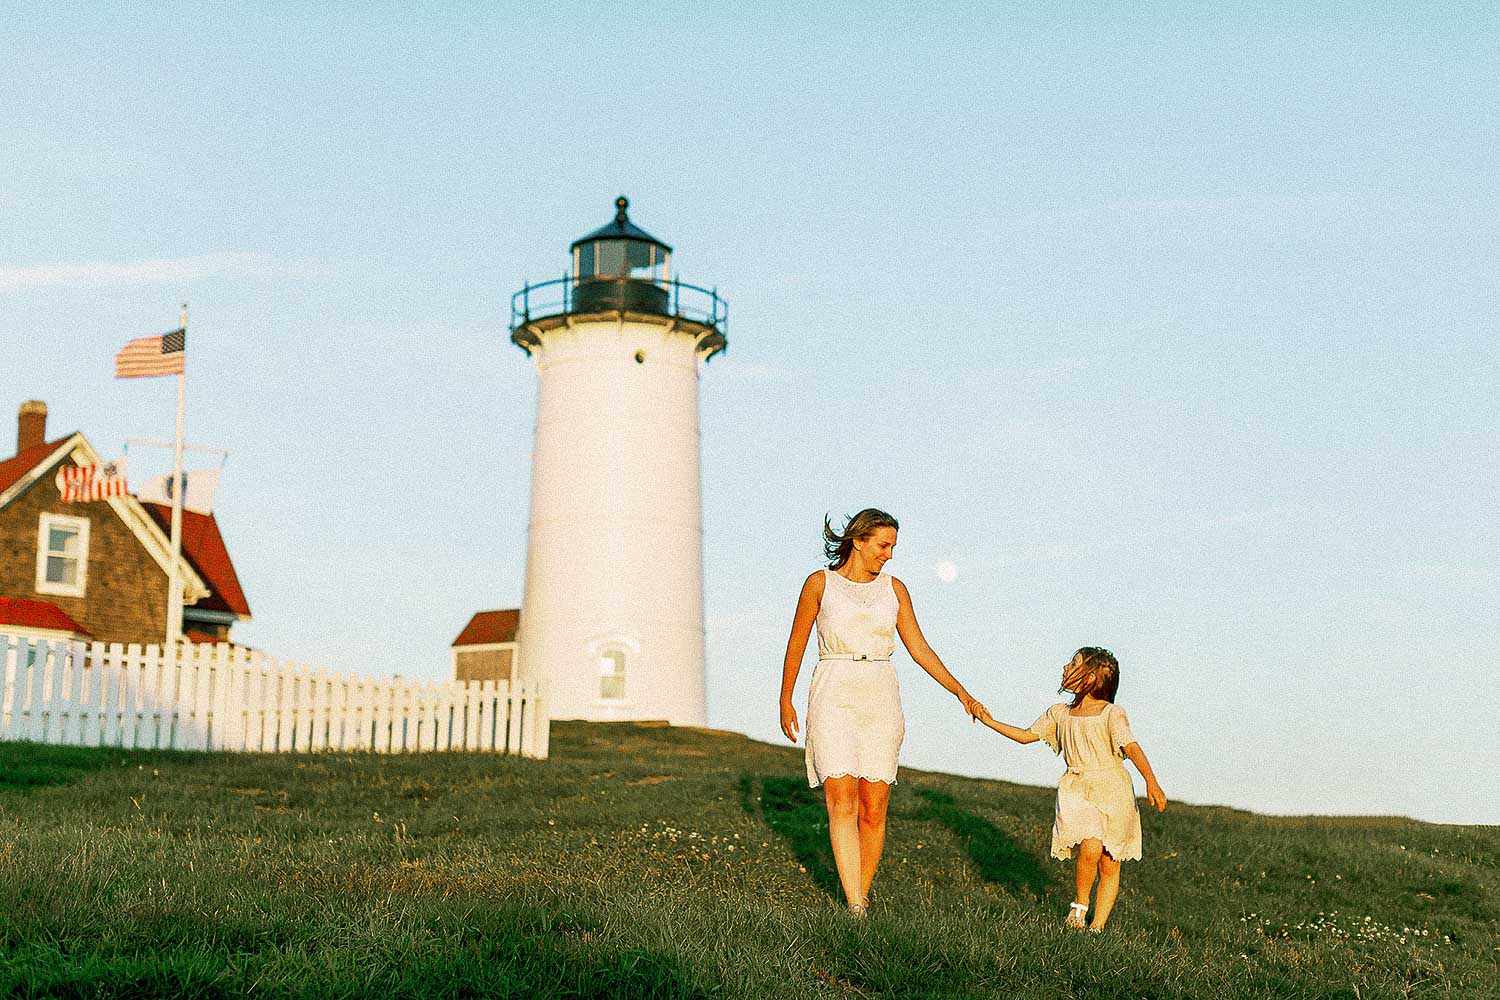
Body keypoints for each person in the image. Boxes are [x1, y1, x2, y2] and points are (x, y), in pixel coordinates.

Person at [779, 508, 989, 917]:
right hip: (833, 686)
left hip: (880, 691)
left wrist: (960, 691)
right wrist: (785, 698)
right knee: (842, 800)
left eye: (892, 546)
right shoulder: (819, 584)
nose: (889, 555)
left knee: (874, 806)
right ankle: (855, 904)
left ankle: (862, 894)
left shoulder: (896, 590)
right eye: (883, 545)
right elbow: (797, 641)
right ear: (857, 540)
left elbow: (920, 648)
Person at [978, 647, 1167, 931]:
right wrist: (988, 720)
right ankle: (1079, 909)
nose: (1065, 667)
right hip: (1078, 787)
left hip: (1113, 790)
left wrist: (1151, 781)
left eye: (1073, 663)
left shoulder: (1111, 714)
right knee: (1090, 847)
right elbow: (1025, 736)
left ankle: (1097, 928)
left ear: (1090, 678)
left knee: (1110, 860)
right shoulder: (1059, 713)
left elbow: (1131, 746)